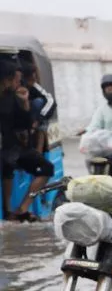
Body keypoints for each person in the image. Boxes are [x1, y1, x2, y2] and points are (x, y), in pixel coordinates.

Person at [1, 60, 53, 222]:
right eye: (14, 79)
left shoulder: (12, 97)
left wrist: (24, 103)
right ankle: (8, 210)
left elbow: (24, 123)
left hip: (12, 146)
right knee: (7, 162)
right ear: (5, 79)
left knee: (46, 168)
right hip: (5, 150)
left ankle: (22, 208)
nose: (18, 83)